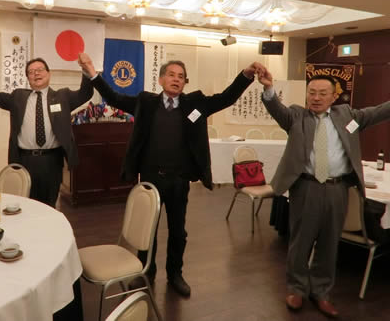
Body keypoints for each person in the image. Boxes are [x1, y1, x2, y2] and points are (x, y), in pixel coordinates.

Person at [78, 52, 265, 297]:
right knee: (148, 229)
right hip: (150, 178)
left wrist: (246, 75)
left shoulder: (195, 103)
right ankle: (146, 272)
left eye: (181, 76)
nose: (176, 79)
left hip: (179, 179)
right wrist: (92, 72)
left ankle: (175, 274)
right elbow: (113, 97)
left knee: (178, 231)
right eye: (171, 75)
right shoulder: (145, 102)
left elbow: (226, 98)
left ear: (185, 82)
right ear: (161, 79)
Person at [257, 72, 390, 318]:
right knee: (301, 242)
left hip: (338, 189)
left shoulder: (348, 116)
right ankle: (296, 289)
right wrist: (268, 89)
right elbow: (276, 109)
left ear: (333, 96)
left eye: (322, 93)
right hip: (306, 187)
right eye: (312, 93)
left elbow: (378, 112)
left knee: (330, 243)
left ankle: (321, 292)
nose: (316, 98)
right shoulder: (296, 116)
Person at [0, 57, 93, 208]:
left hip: (52, 161)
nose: (36, 73)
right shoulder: (18, 97)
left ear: (48, 74)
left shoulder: (63, 97)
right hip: (24, 160)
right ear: (28, 78)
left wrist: (86, 70)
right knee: (25, 204)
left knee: (49, 205)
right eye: (31, 72)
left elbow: (85, 94)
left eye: (40, 70)